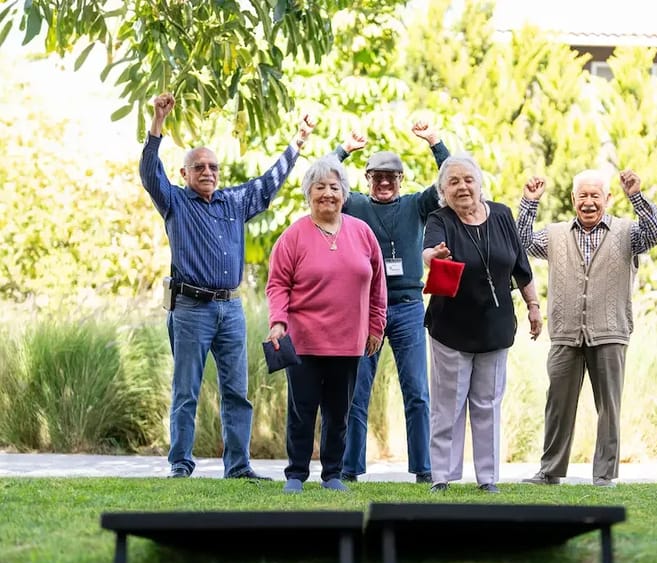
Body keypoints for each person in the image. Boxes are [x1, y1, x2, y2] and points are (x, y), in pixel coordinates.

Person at [139, 91, 314, 479]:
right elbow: (150, 172)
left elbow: (270, 181)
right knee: (186, 392)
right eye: (198, 166)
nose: (207, 172)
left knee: (237, 392)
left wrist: (298, 142)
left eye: (213, 166)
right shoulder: (174, 202)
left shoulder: (234, 202)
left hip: (230, 309)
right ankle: (180, 466)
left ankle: (238, 467)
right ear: (185, 174)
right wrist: (157, 122)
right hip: (190, 309)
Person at [516, 168, 657, 487]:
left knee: (609, 408)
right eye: (582, 195)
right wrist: (529, 203)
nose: (588, 202)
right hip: (565, 333)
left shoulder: (628, 233)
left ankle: (604, 475)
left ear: (608, 199)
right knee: (557, 406)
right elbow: (520, 243)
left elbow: (656, 233)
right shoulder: (555, 234)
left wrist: (636, 197)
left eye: (595, 195)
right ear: (573, 199)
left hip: (611, 332)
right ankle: (550, 471)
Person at [333, 122, 450, 484]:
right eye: (378, 177)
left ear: (401, 179)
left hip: (408, 306)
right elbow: (323, 180)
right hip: (365, 309)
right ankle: (349, 469)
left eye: (392, 177)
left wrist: (435, 142)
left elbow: (450, 178)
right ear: (366, 178)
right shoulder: (354, 205)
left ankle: (424, 469)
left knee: (416, 390)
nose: (385, 182)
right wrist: (343, 151)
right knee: (357, 391)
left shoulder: (417, 204)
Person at [422, 153, 543, 493]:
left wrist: (533, 305)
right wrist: (435, 257)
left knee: (488, 403)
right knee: (448, 403)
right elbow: (428, 252)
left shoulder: (503, 215)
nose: (462, 187)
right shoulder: (440, 218)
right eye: (454, 182)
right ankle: (442, 477)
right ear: (443, 190)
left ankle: (488, 478)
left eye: (468, 179)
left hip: (496, 325)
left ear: (479, 183)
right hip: (451, 327)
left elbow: (521, 267)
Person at [266, 155, 387, 494]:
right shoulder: (294, 236)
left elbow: (377, 285)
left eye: (334, 187)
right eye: (320, 187)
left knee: (339, 413)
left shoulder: (362, 233)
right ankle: (295, 475)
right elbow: (277, 284)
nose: (327, 193)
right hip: (303, 340)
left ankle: (332, 474)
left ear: (344, 193)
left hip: (349, 341)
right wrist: (278, 322)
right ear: (309, 193)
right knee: (302, 411)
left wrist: (376, 325)